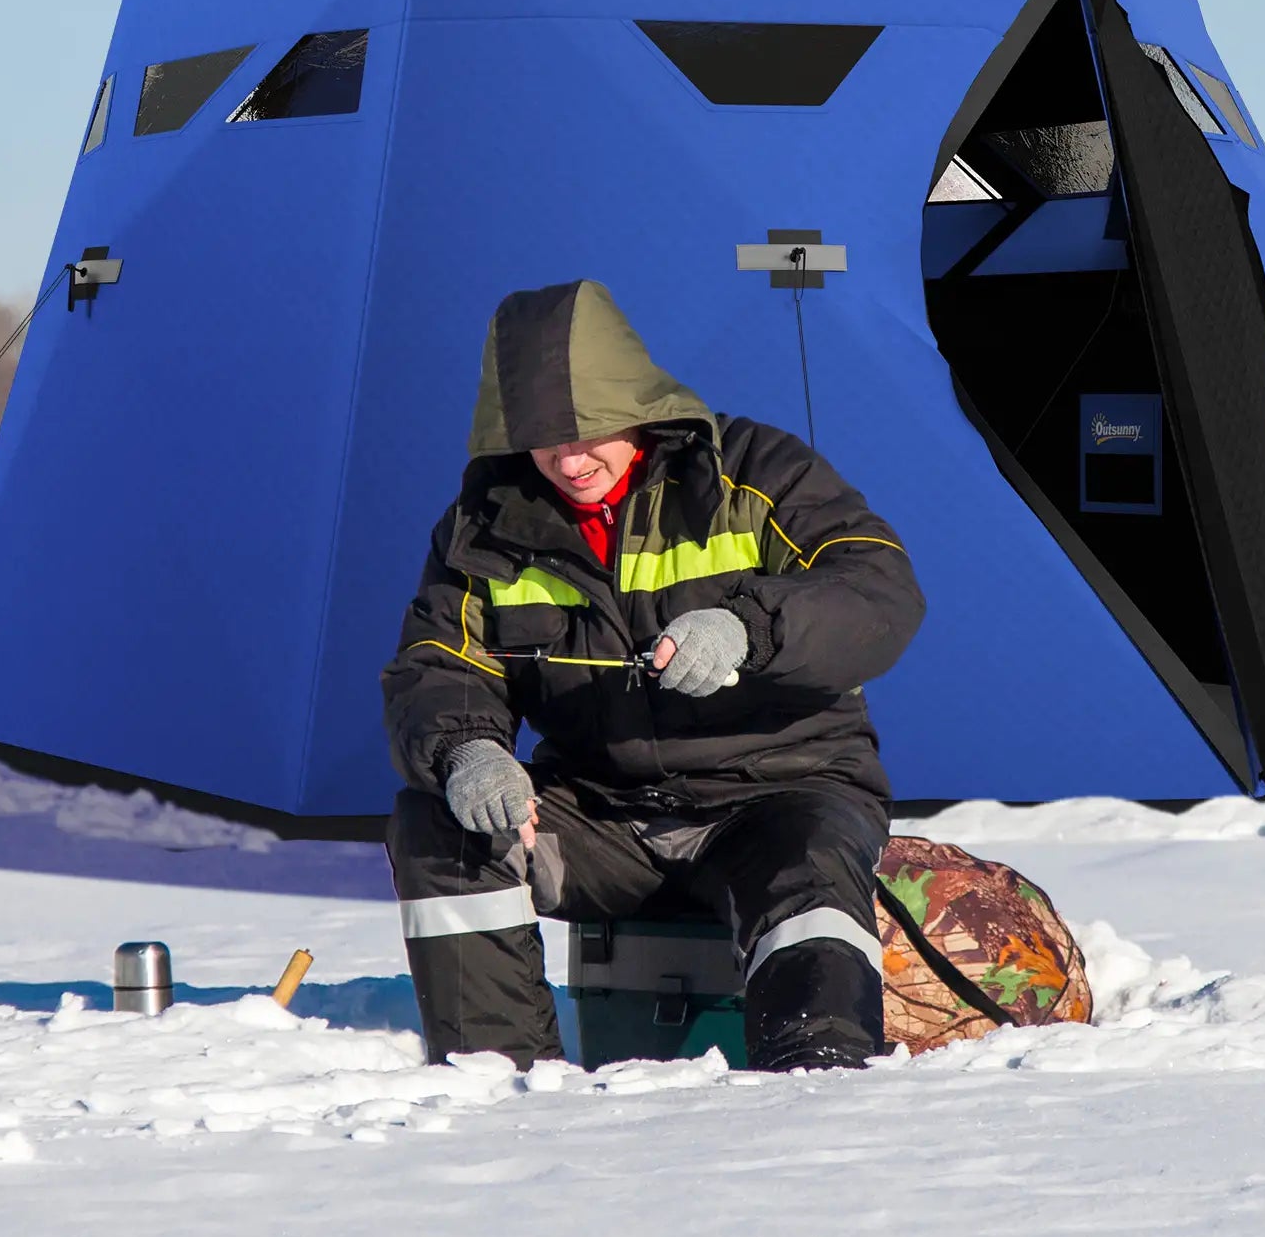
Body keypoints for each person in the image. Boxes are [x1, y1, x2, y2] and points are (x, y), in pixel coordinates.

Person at [381, 279, 925, 1072]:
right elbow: (439, 660)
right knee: (440, 826)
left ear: (637, 403)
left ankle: (817, 1080)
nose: (570, 460)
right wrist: (468, 751)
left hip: (780, 795)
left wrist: (748, 629)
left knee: (806, 866)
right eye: (541, 438)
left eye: (591, 430)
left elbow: (879, 592)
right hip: (605, 818)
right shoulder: (484, 524)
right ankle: (499, 1083)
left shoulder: (756, 471)